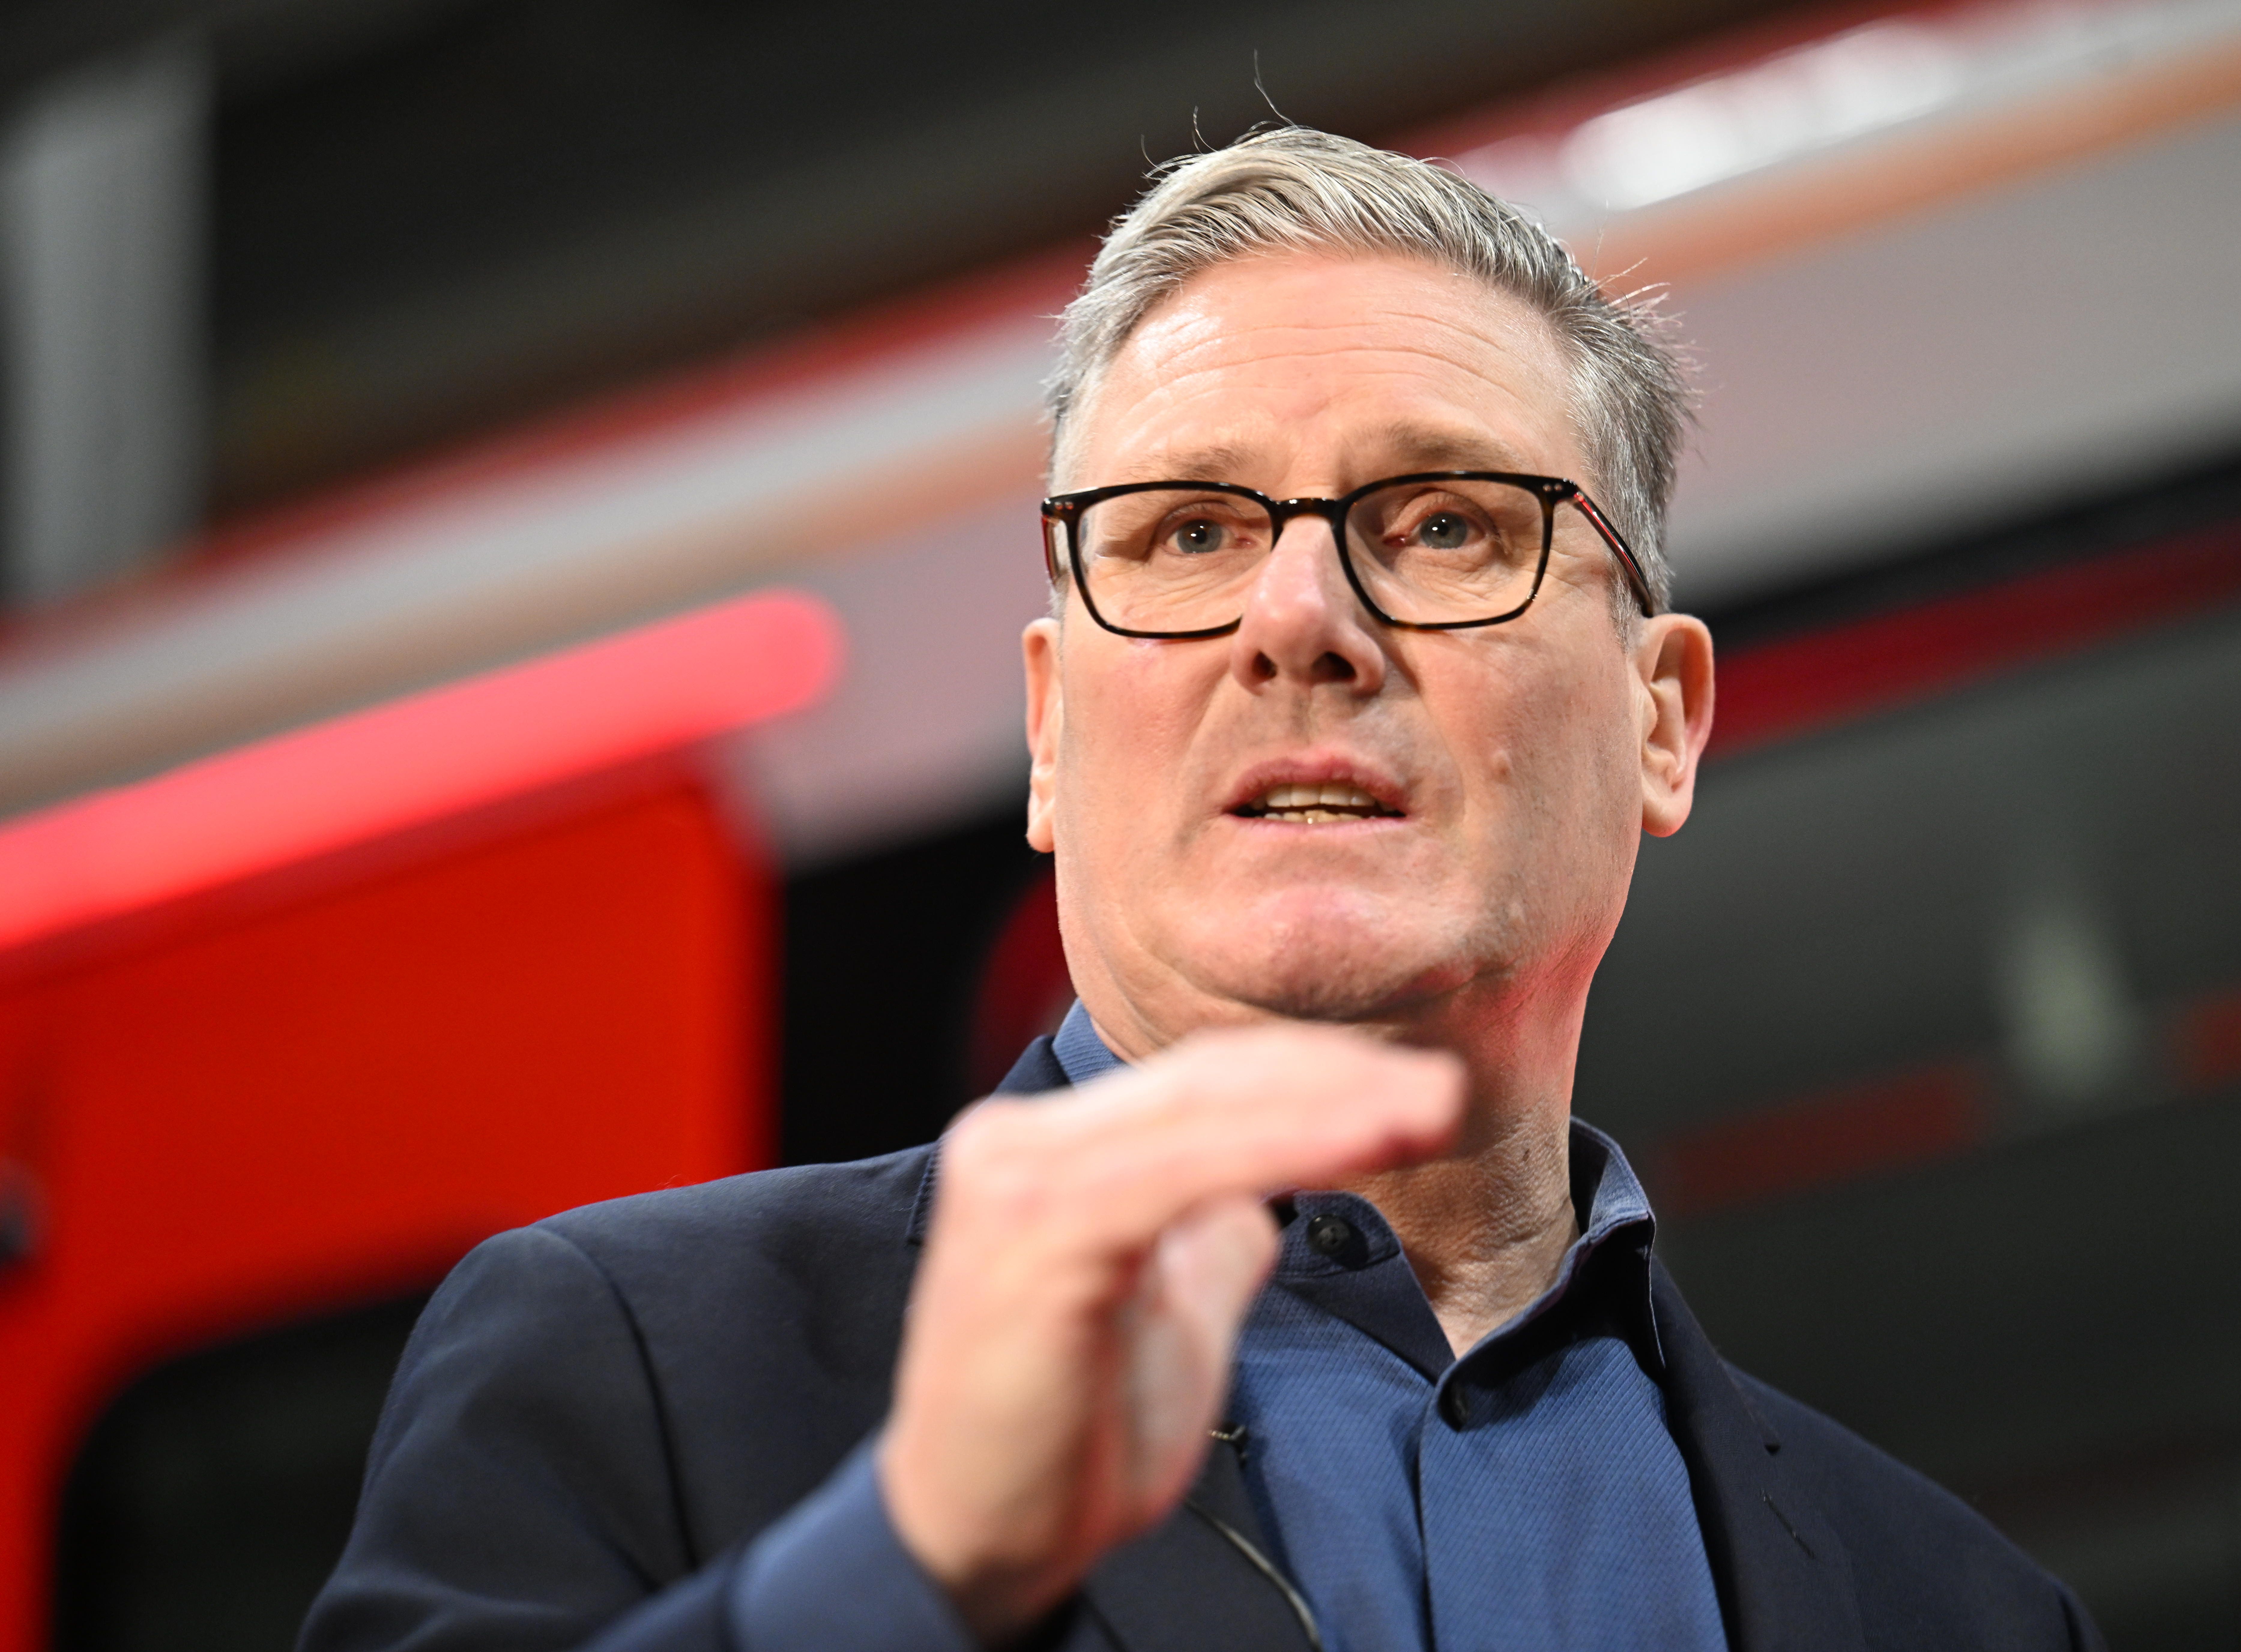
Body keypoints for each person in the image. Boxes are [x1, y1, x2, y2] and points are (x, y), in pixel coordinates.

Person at [301, 128, 2103, 1652]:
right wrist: (907, 1577)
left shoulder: (1965, 1614)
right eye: (1188, 535)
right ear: (1049, 733)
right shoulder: (627, 1359)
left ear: (1661, 720)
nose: (1301, 621)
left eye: (1446, 524)